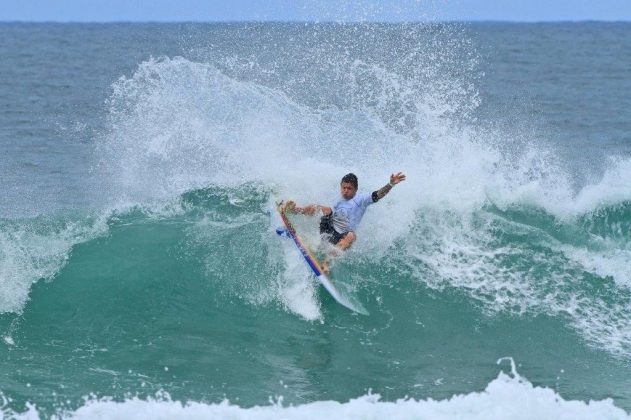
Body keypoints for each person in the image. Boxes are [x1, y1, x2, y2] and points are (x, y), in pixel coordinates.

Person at [282, 172, 406, 273]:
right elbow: (325, 212)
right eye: (343, 187)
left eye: (349, 188)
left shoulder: (362, 199)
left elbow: (377, 195)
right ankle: (294, 210)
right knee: (325, 209)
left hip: (342, 238)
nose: (345, 191)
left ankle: (326, 263)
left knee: (352, 235)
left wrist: (390, 184)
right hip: (328, 231)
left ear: (356, 189)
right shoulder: (338, 197)